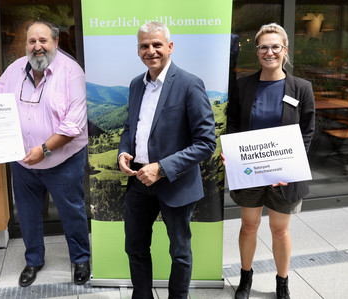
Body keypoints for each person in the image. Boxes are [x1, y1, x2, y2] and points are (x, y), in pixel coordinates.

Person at [0, 19, 90, 287]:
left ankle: (80, 259)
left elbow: (74, 124)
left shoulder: (72, 73)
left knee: (71, 211)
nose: (37, 47)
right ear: (25, 44)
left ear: (56, 42)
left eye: (43, 41)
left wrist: (44, 150)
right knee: (27, 214)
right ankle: (34, 260)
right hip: (23, 161)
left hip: (62, 160)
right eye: (31, 41)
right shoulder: (15, 68)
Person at [118, 21, 217, 299]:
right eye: (144, 46)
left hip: (176, 184)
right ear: (138, 51)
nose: (151, 50)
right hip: (138, 182)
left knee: (180, 252)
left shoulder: (189, 84)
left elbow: (206, 143)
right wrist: (124, 151)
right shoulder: (136, 84)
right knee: (135, 248)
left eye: (157, 44)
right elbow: (131, 127)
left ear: (170, 47)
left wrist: (161, 169)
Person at [225, 23, 315, 299]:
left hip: (284, 175)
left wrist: (291, 167)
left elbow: (307, 131)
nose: (269, 52)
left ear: (285, 50)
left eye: (275, 46)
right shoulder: (243, 86)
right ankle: (245, 278)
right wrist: (231, 150)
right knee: (249, 225)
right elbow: (233, 124)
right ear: (257, 52)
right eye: (263, 47)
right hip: (251, 170)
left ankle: (282, 282)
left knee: (279, 229)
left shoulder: (301, 88)